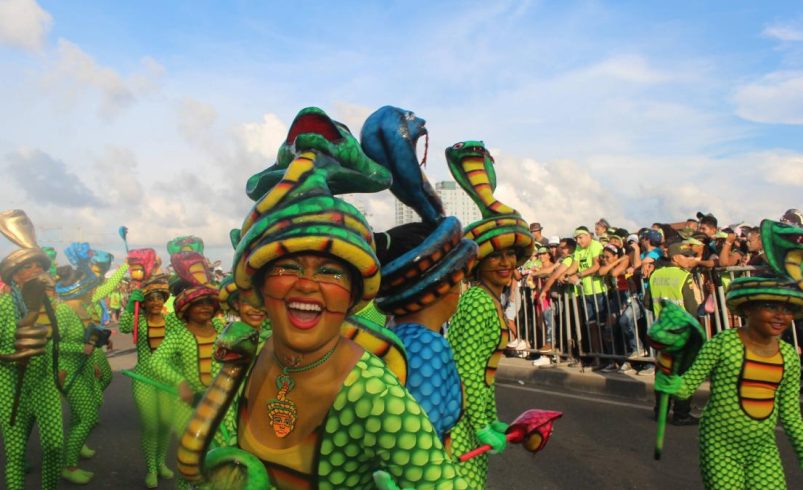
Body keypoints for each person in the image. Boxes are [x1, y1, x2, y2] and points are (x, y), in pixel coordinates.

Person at [183, 107, 467, 489]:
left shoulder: (372, 394)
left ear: (353, 295)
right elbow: (211, 458)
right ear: (260, 286)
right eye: (288, 267)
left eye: (331, 271)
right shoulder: (251, 357)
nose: (307, 284)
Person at [655, 273, 803, 489]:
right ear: (747, 308)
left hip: (763, 449)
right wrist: (669, 379)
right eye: (770, 306)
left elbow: (790, 414)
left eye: (788, 309)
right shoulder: (723, 343)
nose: (781, 316)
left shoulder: (789, 356)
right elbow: (686, 388)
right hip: (720, 448)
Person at [445, 139, 534, 488]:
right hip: (460, 422)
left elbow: (486, 376)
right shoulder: (478, 302)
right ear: (478, 263)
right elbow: (466, 371)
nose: (506, 262)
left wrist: (492, 419)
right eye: (496, 256)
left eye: (510, 255)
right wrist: (479, 425)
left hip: (472, 416)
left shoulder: (491, 300)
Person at [144, 250, 224, 490]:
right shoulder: (179, 335)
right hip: (188, 405)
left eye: (209, 303)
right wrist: (180, 382)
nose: (205, 308)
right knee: (189, 458)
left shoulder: (221, 329)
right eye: (198, 304)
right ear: (186, 309)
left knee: (221, 453)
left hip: (220, 401)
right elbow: (156, 362)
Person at [0, 209, 63, 490]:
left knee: (54, 446)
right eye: (29, 266)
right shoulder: (4, 304)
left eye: (39, 265)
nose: (36, 270)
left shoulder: (48, 302)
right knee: (15, 454)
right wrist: (15, 354)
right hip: (10, 381)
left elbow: (55, 338)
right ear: (15, 275)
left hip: (42, 379)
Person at [118, 271, 180, 488]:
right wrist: (129, 307)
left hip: (166, 380)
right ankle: (151, 469)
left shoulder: (171, 322)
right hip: (143, 378)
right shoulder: (140, 322)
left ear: (164, 301)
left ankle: (161, 462)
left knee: (165, 424)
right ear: (144, 303)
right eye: (150, 299)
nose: (155, 302)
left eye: (159, 298)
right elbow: (124, 327)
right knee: (150, 425)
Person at [54, 262, 104, 485]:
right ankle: (69, 466)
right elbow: (52, 345)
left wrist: (94, 359)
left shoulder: (83, 308)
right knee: (88, 416)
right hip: (67, 371)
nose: (92, 288)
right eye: (88, 285)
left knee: (79, 416)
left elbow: (89, 340)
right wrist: (79, 349)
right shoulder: (63, 311)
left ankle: (74, 452)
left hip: (84, 368)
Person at [645, 241, 703, 423]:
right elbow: (692, 309)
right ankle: (681, 414)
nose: (689, 259)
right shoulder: (684, 276)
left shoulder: (655, 275)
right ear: (675, 258)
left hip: (663, 330)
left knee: (664, 371)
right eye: (686, 256)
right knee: (683, 374)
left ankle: (660, 411)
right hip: (682, 332)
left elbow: (648, 303)